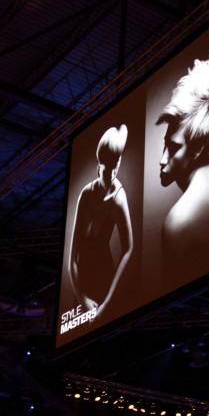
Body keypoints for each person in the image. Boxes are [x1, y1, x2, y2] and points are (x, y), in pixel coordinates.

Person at [156, 53, 209, 282]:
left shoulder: (178, 221)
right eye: (165, 144)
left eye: (174, 148)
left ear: (198, 149)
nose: (162, 160)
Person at [67, 125, 133, 321]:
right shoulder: (86, 194)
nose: (112, 173)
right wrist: (82, 299)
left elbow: (128, 248)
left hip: (104, 278)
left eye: (116, 166)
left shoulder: (119, 198)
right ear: (99, 165)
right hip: (82, 283)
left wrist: (107, 303)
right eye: (108, 167)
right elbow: (72, 258)